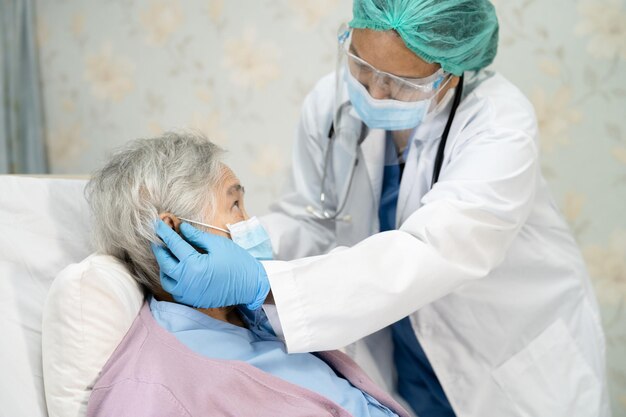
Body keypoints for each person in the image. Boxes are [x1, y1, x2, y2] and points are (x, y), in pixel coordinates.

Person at [152, 1, 611, 416]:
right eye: (361, 64)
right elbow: (312, 216)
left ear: (450, 71)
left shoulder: (498, 124)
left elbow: (433, 251)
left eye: (399, 82)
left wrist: (262, 284)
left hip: (508, 363)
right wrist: (239, 241)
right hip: (402, 357)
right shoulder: (331, 107)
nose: (373, 92)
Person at [85, 132, 411, 417]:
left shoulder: (254, 316)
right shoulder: (149, 390)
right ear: (173, 232)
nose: (252, 221)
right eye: (236, 204)